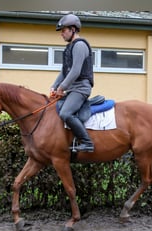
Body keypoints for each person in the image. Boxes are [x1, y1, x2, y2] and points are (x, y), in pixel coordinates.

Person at [51, 13, 94, 152]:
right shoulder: (70, 47)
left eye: (64, 30)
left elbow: (75, 71)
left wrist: (62, 87)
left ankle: (87, 143)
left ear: (73, 29)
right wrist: (54, 86)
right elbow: (65, 72)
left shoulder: (80, 45)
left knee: (65, 114)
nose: (61, 34)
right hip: (72, 88)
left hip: (81, 88)